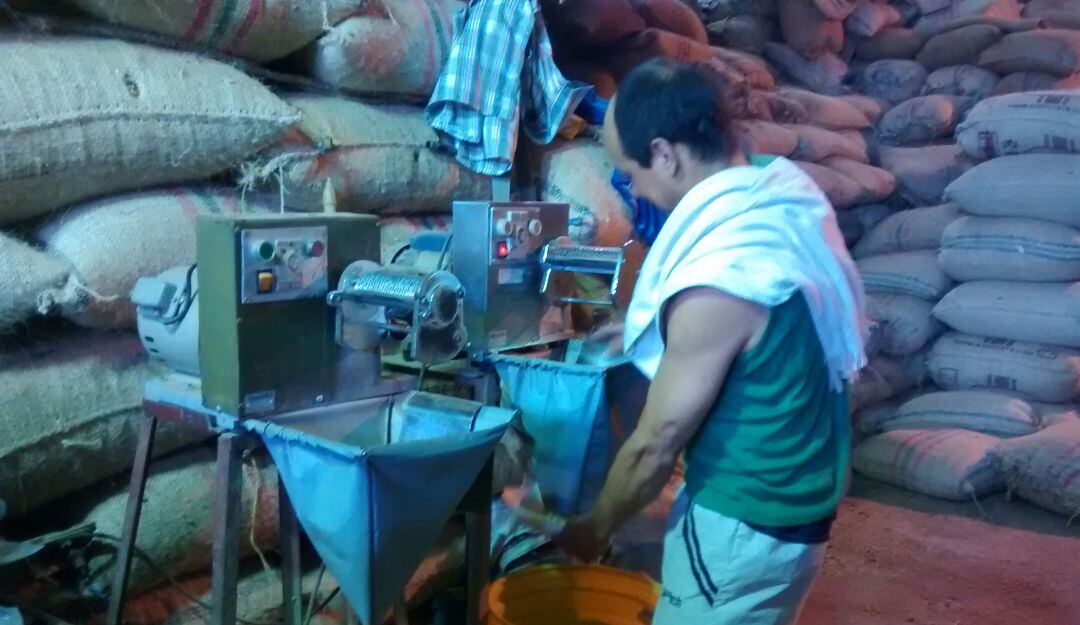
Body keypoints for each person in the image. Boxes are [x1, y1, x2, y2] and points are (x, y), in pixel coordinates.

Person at [554, 58, 868, 625]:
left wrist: (594, 527)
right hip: (799, 507)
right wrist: (653, 334)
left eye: (630, 173)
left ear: (666, 154)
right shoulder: (774, 190)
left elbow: (655, 446)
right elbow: (761, 334)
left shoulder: (720, 281)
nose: (634, 190)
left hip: (741, 522)